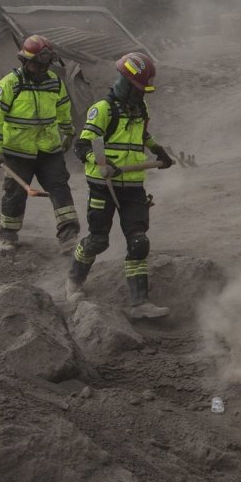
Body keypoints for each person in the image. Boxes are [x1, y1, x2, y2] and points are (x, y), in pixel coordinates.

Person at [66, 53, 177, 318]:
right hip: (104, 185)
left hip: (133, 186)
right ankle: (73, 281)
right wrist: (99, 163)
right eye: (139, 90)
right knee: (98, 241)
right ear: (126, 83)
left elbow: (143, 135)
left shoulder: (141, 109)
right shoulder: (102, 110)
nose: (142, 96)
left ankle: (139, 303)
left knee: (139, 242)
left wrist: (158, 151)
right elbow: (81, 146)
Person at [0, 35, 80, 253]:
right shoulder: (10, 83)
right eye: (39, 64)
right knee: (14, 193)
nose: (43, 69)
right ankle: (7, 236)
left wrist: (68, 132)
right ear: (27, 62)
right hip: (17, 150)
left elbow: (63, 109)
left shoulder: (55, 82)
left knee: (60, 189)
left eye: (46, 64)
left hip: (49, 148)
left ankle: (68, 237)